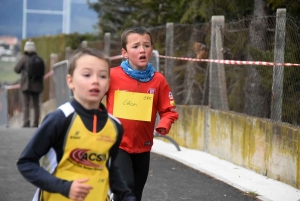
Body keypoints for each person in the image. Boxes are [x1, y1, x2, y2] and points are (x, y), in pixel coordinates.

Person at [17, 47, 136, 201]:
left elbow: (109, 168)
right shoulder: (60, 119)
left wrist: (127, 197)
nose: (95, 80)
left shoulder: (114, 126)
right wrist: (64, 187)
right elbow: (26, 163)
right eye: (87, 74)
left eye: (102, 76)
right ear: (70, 81)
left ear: (108, 84)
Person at [106, 26, 179, 201]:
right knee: (127, 187)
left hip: (143, 146)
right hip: (118, 144)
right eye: (135, 46)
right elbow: (91, 99)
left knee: (136, 194)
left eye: (146, 46)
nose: (142, 50)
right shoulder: (112, 76)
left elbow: (169, 110)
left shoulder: (158, 80)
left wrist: (164, 124)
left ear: (152, 49)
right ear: (124, 53)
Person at [14, 40, 45, 127]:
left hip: (26, 85)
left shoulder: (24, 58)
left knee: (26, 104)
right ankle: (36, 123)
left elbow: (16, 69)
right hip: (37, 85)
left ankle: (26, 122)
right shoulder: (39, 59)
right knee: (36, 105)